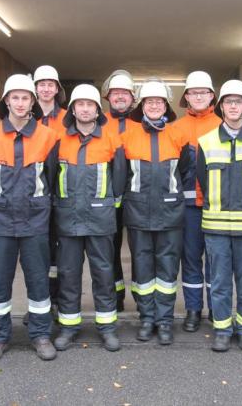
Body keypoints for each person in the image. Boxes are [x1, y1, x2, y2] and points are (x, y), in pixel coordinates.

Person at [0, 74, 59, 363]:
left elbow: (51, 178)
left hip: (35, 220)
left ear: (33, 102)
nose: (21, 103)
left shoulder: (49, 136)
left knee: (38, 280)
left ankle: (40, 335)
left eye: (26, 98)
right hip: (0, 220)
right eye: (15, 97)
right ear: (6, 101)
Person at [51, 84, 126, 352]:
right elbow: (50, 178)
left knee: (103, 273)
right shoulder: (59, 140)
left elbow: (119, 181)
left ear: (97, 110)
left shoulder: (111, 139)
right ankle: (69, 326)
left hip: (100, 220)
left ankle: (106, 327)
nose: (84, 109)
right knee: (69, 274)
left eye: (89, 104)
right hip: (68, 218)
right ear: (72, 109)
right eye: (79, 104)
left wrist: (107, 208)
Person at [196, 79, 242, 352]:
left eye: (238, 101)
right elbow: (202, 178)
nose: (233, 106)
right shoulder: (206, 142)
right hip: (215, 228)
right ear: (221, 107)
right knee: (219, 283)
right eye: (228, 102)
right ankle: (223, 330)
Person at [121, 78, 192, 345]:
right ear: (141, 106)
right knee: (142, 269)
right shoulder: (127, 136)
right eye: (149, 102)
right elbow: (122, 176)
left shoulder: (179, 136)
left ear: (166, 106)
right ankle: (146, 318)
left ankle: (164, 320)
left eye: (158, 102)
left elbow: (185, 172)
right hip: (138, 214)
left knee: (167, 270)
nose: (154, 106)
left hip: (170, 214)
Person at [172, 71, 221, 331]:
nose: (199, 96)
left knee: (216, 260)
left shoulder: (224, 126)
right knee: (190, 259)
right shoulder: (176, 128)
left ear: (212, 96)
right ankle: (193, 309)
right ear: (186, 97)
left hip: (217, 207)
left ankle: (216, 307)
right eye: (193, 92)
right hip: (188, 208)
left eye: (204, 92)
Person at [100, 69, 137, 311]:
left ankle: (142, 299)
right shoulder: (98, 123)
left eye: (125, 92)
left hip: (136, 198)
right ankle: (116, 297)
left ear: (133, 98)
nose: (120, 97)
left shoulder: (143, 124)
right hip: (106, 198)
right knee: (109, 250)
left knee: (140, 251)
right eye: (116, 93)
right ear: (108, 97)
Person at [34, 65, 68, 316]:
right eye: (41, 84)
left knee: (61, 250)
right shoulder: (26, 117)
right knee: (38, 249)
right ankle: (41, 300)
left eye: (50, 84)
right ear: (35, 88)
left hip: (62, 194)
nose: (46, 89)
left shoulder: (68, 119)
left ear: (57, 89)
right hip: (35, 196)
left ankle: (57, 300)